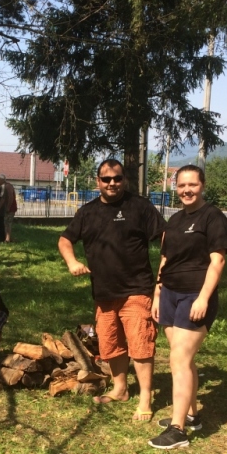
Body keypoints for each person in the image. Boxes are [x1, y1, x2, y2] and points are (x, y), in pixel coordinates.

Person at [58, 159, 165, 421]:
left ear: (124, 179)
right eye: (106, 179)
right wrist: (72, 262)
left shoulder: (139, 206)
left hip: (136, 289)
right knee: (111, 344)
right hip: (104, 294)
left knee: (140, 345)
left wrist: (164, 272)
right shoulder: (87, 212)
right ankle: (120, 389)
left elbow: (165, 236)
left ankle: (145, 398)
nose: (112, 183)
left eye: (116, 178)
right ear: (98, 182)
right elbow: (64, 239)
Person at [149, 164, 227, 450]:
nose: (186, 190)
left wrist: (203, 298)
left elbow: (217, 261)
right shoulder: (174, 220)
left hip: (195, 295)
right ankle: (192, 414)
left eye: (192, 185)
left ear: (202, 185)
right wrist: (158, 294)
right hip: (169, 294)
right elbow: (165, 259)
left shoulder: (213, 218)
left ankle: (178, 429)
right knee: (182, 358)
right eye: (181, 185)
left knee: (179, 359)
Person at [0, 174, 17, 243]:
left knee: (7, 223)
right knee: (5, 224)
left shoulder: (7, 186)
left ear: (2, 180)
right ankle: (7, 238)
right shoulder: (3, 186)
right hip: (6, 209)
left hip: (10, 209)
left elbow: (9, 197)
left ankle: (7, 239)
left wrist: (7, 207)